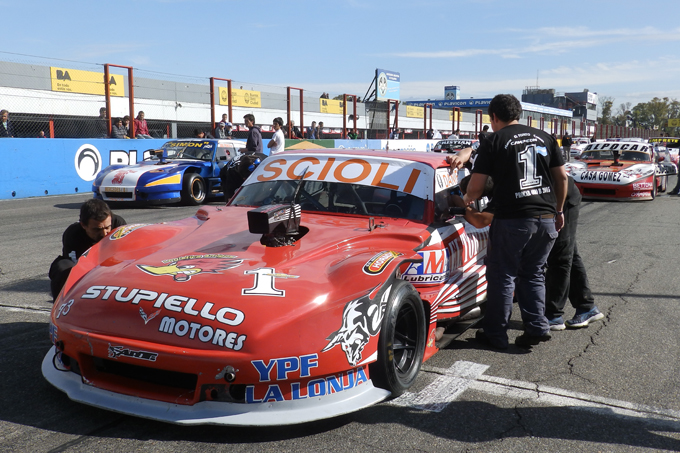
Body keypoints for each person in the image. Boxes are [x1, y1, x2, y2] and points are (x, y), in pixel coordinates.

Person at [461, 94, 567, 350]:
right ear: (518, 114)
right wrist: (559, 210)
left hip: (513, 220)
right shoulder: (544, 136)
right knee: (533, 274)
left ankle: (495, 334)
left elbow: (475, 187)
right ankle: (537, 328)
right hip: (545, 218)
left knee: (502, 276)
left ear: (494, 117)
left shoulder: (494, 140)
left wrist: (463, 200)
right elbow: (562, 178)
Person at [545, 177, 604, 330]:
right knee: (569, 252)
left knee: (560, 255)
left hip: (561, 198)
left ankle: (553, 315)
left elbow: (561, 176)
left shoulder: (546, 152)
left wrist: (558, 210)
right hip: (549, 198)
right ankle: (586, 307)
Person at [48, 200, 126, 301]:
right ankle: (63, 305)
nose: (104, 233)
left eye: (107, 227)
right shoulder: (73, 234)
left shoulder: (119, 225)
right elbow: (76, 265)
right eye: (97, 229)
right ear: (83, 225)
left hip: (113, 263)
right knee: (62, 267)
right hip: (86, 265)